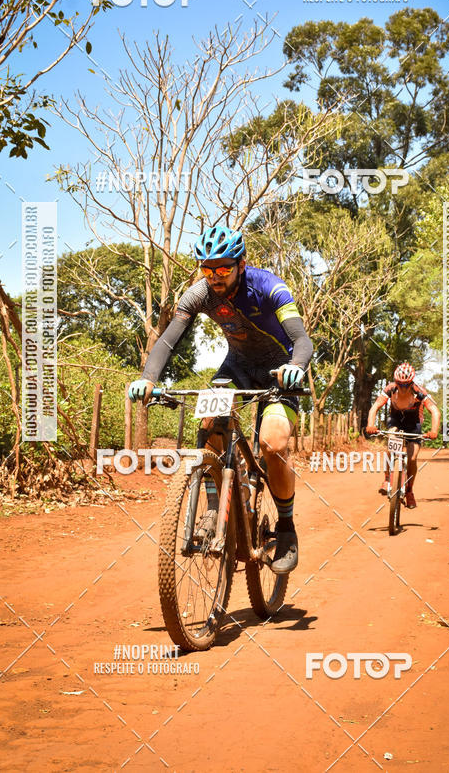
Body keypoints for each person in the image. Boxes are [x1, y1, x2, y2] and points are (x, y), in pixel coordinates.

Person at [128, 225, 313, 573]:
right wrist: (148, 378)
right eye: (207, 269)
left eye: (223, 268)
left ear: (241, 264)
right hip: (237, 366)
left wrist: (296, 366)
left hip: (279, 369)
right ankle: (215, 507)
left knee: (273, 445)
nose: (214, 276)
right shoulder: (198, 294)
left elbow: (302, 340)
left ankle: (286, 528)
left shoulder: (269, 286)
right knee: (210, 424)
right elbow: (167, 340)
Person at [365, 362, 440, 508]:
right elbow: (374, 407)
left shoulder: (419, 391)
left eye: (406, 384)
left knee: (412, 458)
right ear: (396, 382)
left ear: (411, 383)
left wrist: (434, 431)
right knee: (392, 441)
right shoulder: (390, 389)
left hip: (414, 424)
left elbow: (435, 411)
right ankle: (387, 479)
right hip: (396, 421)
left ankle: (409, 491)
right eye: (400, 384)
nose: (403, 388)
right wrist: (370, 425)